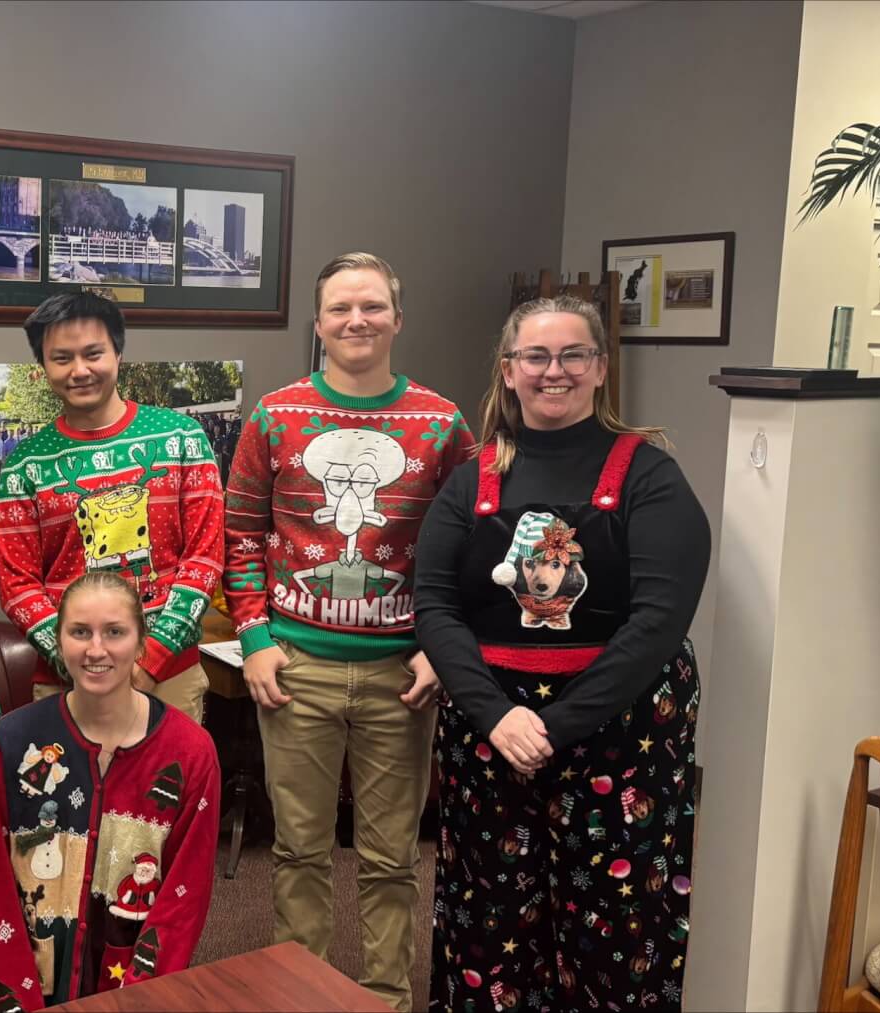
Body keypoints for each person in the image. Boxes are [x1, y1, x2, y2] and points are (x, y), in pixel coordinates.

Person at [414, 295, 709, 1012]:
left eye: (574, 354)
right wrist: (496, 716)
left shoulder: (650, 477)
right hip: (492, 735)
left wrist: (553, 725)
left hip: (622, 736)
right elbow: (435, 606)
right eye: (536, 356)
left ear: (600, 368)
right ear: (508, 371)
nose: (555, 371)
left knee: (618, 927)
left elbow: (658, 622)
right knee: (489, 923)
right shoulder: (470, 480)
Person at [223, 252, 476, 1012]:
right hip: (296, 666)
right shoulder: (274, 416)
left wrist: (441, 646)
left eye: (371, 306)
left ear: (397, 319)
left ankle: (386, 998)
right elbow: (240, 537)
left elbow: (470, 547)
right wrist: (255, 639)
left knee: (392, 858)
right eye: (340, 308)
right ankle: (300, 996)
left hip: (404, 675)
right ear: (319, 322)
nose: (356, 320)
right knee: (299, 850)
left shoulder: (441, 422)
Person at [0, 572, 220, 1011]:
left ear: (141, 643)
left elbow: (184, 900)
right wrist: (16, 1001)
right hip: (29, 988)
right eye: (79, 632)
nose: (95, 649)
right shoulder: (13, 740)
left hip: (139, 993)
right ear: (58, 641)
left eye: (114, 632)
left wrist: (139, 999)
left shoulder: (190, 752)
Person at [0, 291, 225, 722]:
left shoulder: (181, 438)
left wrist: (150, 661)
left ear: (118, 353)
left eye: (93, 353)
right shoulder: (24, 464)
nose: (79, 370)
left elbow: (204, 558)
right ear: (43, 367)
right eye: (62, 358)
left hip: (168, 677)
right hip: (66, 682)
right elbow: (17, 586)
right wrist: (81, 664)